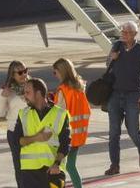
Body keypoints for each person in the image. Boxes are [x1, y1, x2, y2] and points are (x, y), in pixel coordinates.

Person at [105, 21, 140, 176]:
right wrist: (113, 58)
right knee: (113, 133)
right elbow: (108, 66)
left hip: (133, 95)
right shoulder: (116, 46)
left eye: (126, 32)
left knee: (132, 129)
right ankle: (115, 165)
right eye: (122, 31)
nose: (123, 34)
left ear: (134, 34)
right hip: (115, 94)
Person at [16, 77, 70, 188]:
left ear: (39, 93)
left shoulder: (60, 114)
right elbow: (17, 141)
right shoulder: (23, 114)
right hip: (29, 172)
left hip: (52, 171)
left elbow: (65, 143)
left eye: (27, 92)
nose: (25, 96)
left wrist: (56, 164)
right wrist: (36, 138)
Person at [53, 58, 91, 188]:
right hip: (78, 134)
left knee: (60, 167)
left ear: (61, 72)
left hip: (66, 136)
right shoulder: (79, 87)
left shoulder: (62, 90)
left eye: (55, 72)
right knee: (71, 166)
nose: (55, 75)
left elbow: (58, 114)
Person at [0, 60, 32, 188]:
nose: (24, 74)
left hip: (33, 130)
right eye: (20, 72)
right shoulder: (7, 89)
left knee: (35, 166)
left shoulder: (33, 86)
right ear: (12, 75)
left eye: (26, 71)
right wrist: (3, 97)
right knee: (20, 167)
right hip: (15, 132)